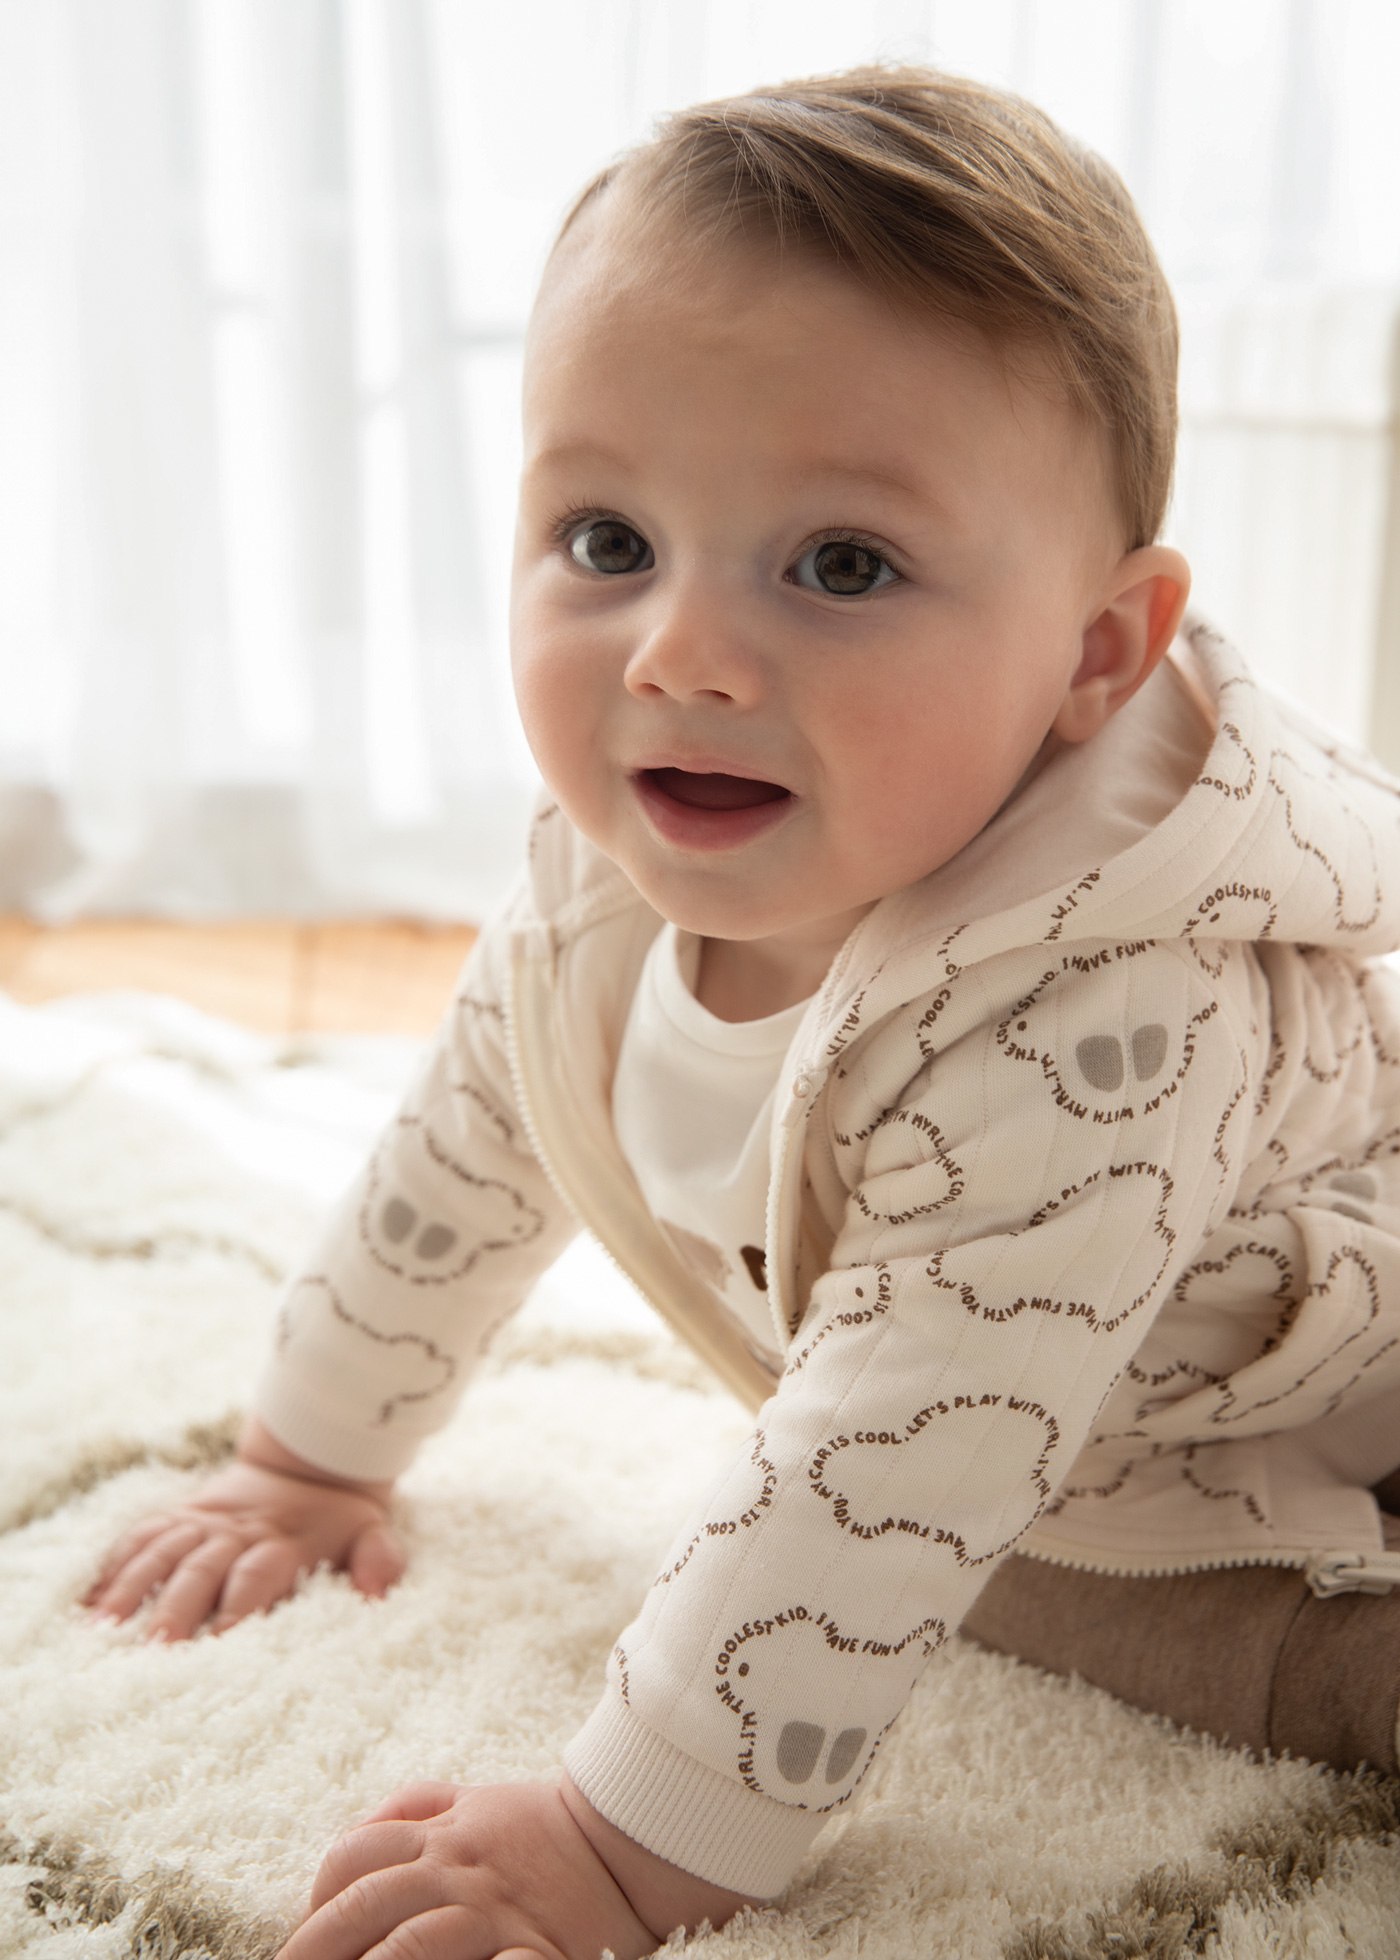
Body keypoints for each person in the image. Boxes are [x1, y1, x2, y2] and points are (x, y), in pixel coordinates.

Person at [81, 62, 1400, 1960]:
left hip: (1284, 1448)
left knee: (1240, 1655)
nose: (682, 656)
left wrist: (628, 1845)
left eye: (842, 565)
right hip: (1047, 1444)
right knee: (986, 1560)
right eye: (607, 543)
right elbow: (468, 1147)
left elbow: (888, 1456)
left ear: (1095, 654)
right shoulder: (598, 881)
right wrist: (308, 1456)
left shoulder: (1107, 1016)